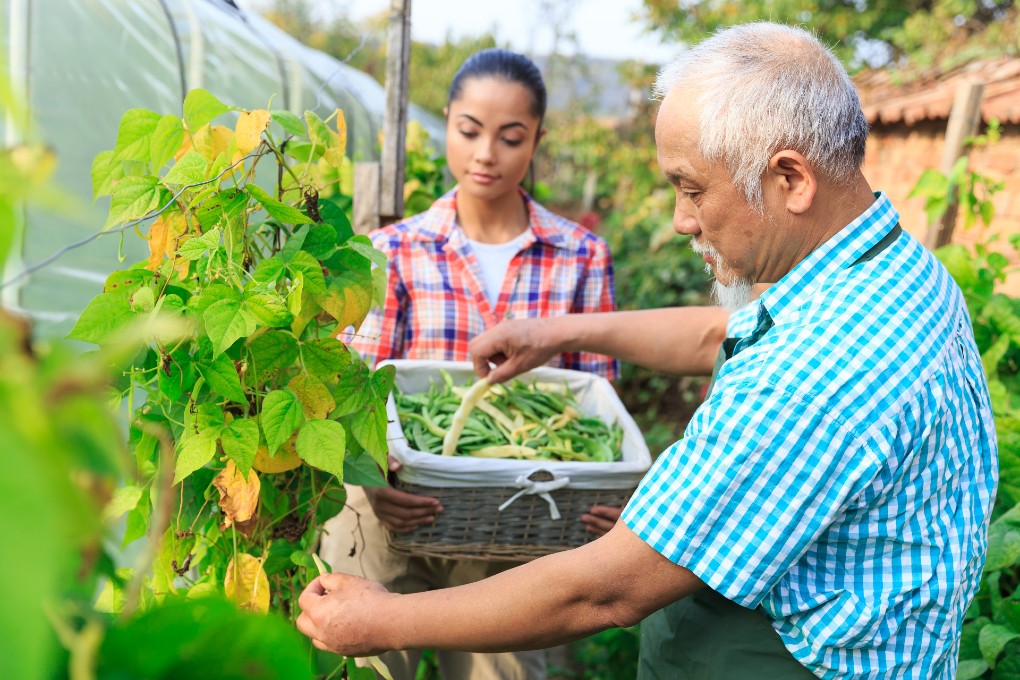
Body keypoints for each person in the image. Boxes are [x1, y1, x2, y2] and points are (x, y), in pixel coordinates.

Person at [300, 23, 998, 679]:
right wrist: (562, 331)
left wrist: (385, 619)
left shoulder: (818, 372)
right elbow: (713, 333)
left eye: (693, 189)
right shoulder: (888, 272)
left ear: (791, 179)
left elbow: (603, 594)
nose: (681, 220)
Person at [319, 48, 620, 680]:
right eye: (469, 131)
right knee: (371, 664)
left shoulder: (579, 255)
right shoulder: (395, 250)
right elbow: (358, 388)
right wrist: (372, 480)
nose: (486, 153)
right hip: (392, 512)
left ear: (536, 138)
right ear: (448, 122)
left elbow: (596, 401)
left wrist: (605, 492)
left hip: (516, 527)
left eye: (511, 137)